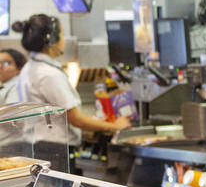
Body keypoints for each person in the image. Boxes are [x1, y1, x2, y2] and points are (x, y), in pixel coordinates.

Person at [13, 15, 130, 149]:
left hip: (38, 145)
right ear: (52, 39)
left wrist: (97, 123)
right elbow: (75, 119)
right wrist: (115, 126)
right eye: (62, 34)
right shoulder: (49, 74)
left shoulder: (31, 68)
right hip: (52, 149)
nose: (64, 40)